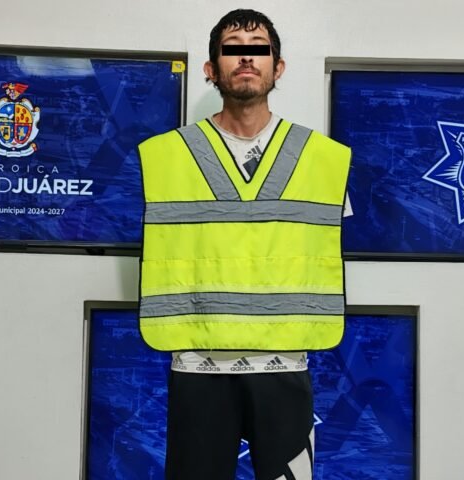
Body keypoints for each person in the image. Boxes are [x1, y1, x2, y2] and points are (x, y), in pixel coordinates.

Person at [138, 9, 351, 480]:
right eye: (233, 49)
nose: (247, 58)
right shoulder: (167, 156)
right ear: (211, 68)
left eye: (259, 49)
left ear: (279, 66)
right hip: (198, 365)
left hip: (284, 364)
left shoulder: (321, 159)